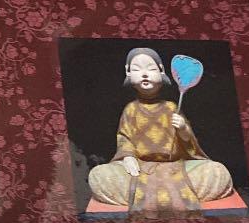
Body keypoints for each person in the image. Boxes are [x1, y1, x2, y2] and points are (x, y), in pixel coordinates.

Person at [87, 47, 233, 213]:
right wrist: (128, 156)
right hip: (141, 168)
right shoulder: (131, 109)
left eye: (150, 69)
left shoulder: (172, 107)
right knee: (99, 175)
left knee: (217, 172)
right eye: (137, 69)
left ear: (161, 71)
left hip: (176, 166)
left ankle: (146, 197)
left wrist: (183, 128)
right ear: (128, 72)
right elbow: (124, 138)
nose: (144, 74)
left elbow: (189, 143)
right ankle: (157, 195)